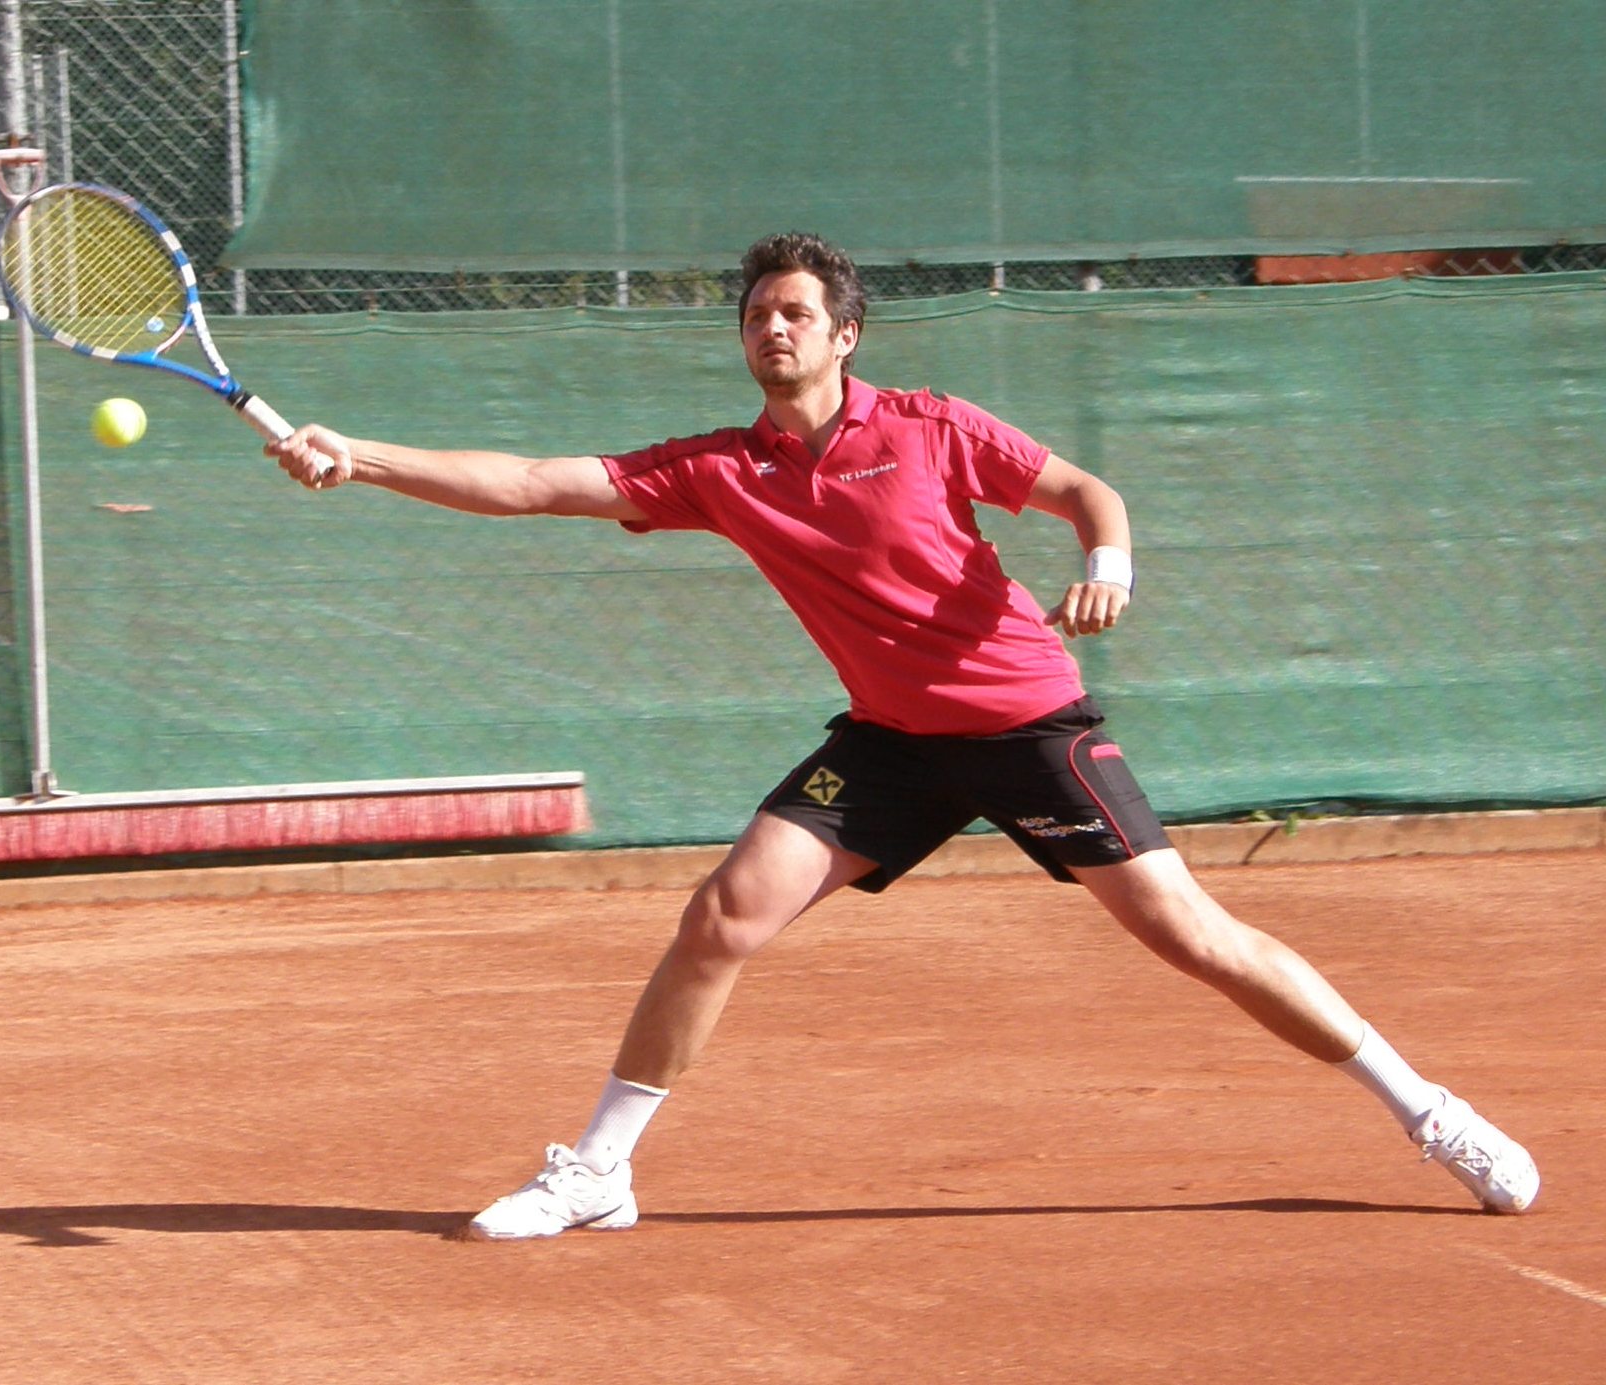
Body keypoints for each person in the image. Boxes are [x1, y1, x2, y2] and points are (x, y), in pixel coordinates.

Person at [267, 232, 1539, 1238]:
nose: (772, 329)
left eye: (794, 313)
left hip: (1026, 722)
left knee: (1193, 935)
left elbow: (1084, 490)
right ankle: (599, 1170)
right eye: (755, 315)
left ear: (844, 334)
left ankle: (1428, 1111)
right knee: (721, 916)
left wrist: (1108, 565)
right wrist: (360, 455)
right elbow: (535, 482)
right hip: (889, 741)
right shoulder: (721, 471)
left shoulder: (929, 427)